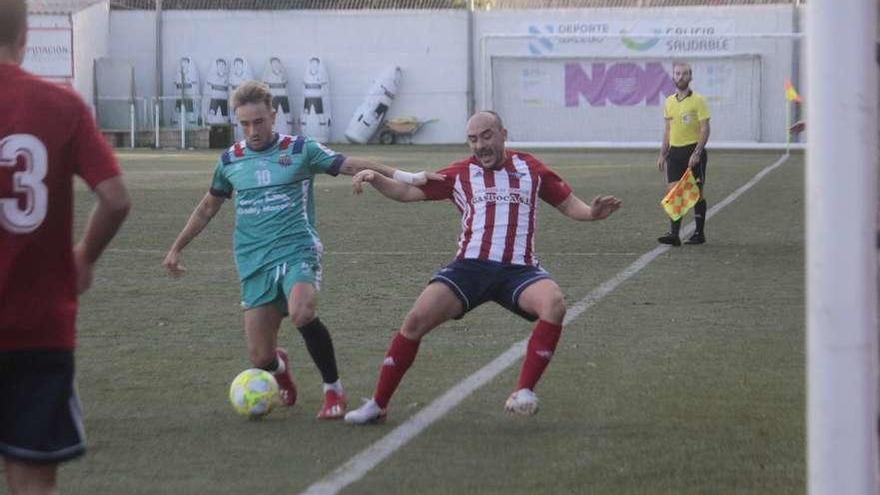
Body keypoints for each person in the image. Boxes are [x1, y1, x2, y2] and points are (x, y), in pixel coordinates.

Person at [162, 80, 439, 420]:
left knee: (302, 312)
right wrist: (176, 248)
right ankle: (280, 371)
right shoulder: (230, 160)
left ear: (273, 116)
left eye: (259, 121)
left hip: (297, 249)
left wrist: (409, 176)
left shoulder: (300, 150)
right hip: (253, 261)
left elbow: (350, 163)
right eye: (245, 123)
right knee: (260, 357)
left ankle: (332, 389)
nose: (252, 130)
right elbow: (207, 208)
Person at [344, 111, 622, 424]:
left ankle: (524, 391)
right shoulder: (461, 173)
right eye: (473, 139)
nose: (480, 145)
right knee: (414, 321)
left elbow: (570, 205)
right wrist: (375, 177)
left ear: (503, 133)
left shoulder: (531, 168)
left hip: (520, 269)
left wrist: (592, 212)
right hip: (470, 267)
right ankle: (378, 405)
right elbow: (408, 192)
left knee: (554, 304)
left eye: (487, 136)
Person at [0, 1, 131, 493]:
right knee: (33, 482)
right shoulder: (60, 104)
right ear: (26, 36)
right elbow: (116, 199)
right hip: (39, 327)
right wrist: (84, 258)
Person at [656, 61, 711, 246]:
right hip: (675, 153)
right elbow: (667, 129)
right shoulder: (669, 102)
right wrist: (663, 153)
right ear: (673, 76)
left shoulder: (699, 100)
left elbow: (705, 129)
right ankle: (674, 235)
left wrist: (697, 152)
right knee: (673, 191)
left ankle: (699, 233)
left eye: (685, 74)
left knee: (696, 193)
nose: (681, 77)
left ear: (691, 76)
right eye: (678, 74)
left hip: (692, 151)